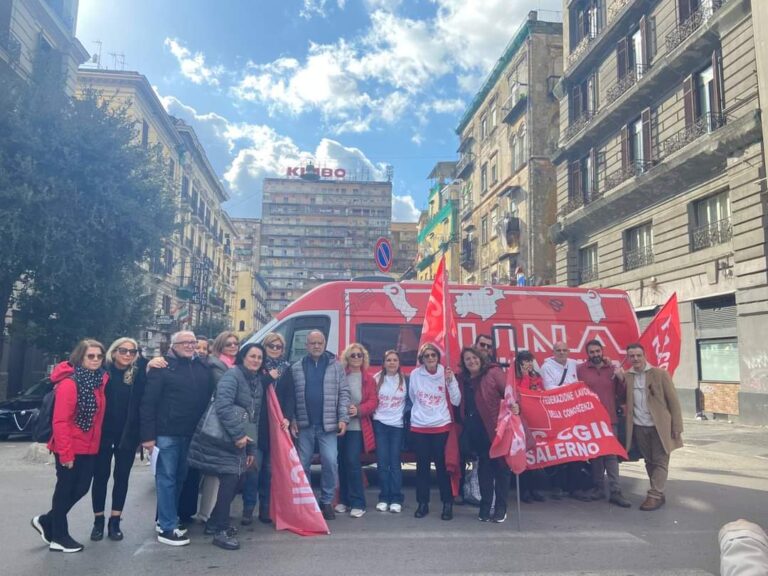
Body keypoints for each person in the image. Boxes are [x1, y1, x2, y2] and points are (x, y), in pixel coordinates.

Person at [31, 339, 108, 553]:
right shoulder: (69, 383)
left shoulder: (98, 381)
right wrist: (66, 454)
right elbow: (61, 421)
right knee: (65, 489)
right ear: (80, 357)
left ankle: (47, 520)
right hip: (69, 447)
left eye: (99, 356)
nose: (95, 360)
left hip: (90, 446)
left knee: (81, 488)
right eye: (90, 356)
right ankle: (59, 536)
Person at [188, 343, 266, 551]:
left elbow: (252, 418)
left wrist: (250, 449)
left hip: (237, 441)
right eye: (252, 356)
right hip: (221, 439)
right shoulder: (233, 376)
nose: (256, 360)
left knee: (236, 478)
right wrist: (238, 435)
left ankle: (214, 524)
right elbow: (222, 406)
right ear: (243, 357)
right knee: (231, 479)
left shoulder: (256, 381)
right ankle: (220, 530)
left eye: (259, 357)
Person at [140, 330, 213, 546]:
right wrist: (147, 437)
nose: (190, 346)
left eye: (193, 342)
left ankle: (167, 518)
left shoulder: (201, 367)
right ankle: (167, 528)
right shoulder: (161, 368)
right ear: (173, 345)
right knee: (166, 479)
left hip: (191, 434)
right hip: (166, 434)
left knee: (179, 478)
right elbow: (148, 404)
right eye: (185, 342)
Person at [283, 330, 349, 520]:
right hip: (305, 425)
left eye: (320, 343)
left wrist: (343, 418)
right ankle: (308, 500)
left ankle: (326, 500)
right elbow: (292, 397)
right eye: (312, 343)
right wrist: (293, 419)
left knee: (330, 462)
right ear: (307, 345)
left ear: (325, 343)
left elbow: (344, 393)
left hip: (328, 426)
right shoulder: (296, 367)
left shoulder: (335, 366)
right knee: (303, 465)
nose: (316, 346)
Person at [90, 337, 147, 542]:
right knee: (100, 478)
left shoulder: (138, 374)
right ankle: (98, 521)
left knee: (121, 478)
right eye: (123, 351)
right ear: (113, 352)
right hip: (102, 434)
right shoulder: (101, 372)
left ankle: (115, 521)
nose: (127, 355)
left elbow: (144, 404)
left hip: (127, 435)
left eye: (132, 352)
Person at [620, 343, 683, 511]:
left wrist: (677, 426)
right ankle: (658, 493)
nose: (635, 359)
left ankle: (654, 495)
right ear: (628, 358)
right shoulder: (627, 376)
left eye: (638, 355)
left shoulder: (660, 374)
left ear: (644, 355)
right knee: (649, 461)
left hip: (660, 426)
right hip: (639, 426)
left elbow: (674, 402)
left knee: (661, 460)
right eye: (632, 356)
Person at [458, 347, 516, 523]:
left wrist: (516, 406)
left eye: (474, 357)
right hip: (477, 431)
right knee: (484, 469)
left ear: (481, 358)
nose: (471, 361)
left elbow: (510, 392)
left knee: (501, 469)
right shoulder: (463, 379)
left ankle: (501, 508)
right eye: (467, 359)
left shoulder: (493, 372)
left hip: (496, 428)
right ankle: (485, 506)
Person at [241, 332, 293, 525]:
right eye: (271, 346)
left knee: (269, 473)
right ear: (265, 347)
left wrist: (288, 417)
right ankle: (248, 509)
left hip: (276, 427)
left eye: (278, 347)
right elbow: (251, 390)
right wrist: (268, 378)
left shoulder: (286, 369)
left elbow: (290, 396)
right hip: (256, 426)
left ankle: (265, 509)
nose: (275, 349)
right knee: (253, 470)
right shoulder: (256, 368)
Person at [576, 340, 631, 508]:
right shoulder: (581, 370)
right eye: (592, 352)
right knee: (595, 455)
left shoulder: (612, 369)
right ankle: (598, 488)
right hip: (590, 419)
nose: (595, 355)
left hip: (609, 418)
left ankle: (615, 491)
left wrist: (622, 379)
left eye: (597, 351)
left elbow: (621, 393)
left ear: (602, 351)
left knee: (611, 455)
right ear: (587, 354)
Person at [409, 342, 461, 521]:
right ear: (422, 359)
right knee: (421, 468)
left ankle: (447, 503)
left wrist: (451, 381)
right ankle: (422, 503)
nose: (430, 358)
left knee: (442, 467)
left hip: (441, 425)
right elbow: (413, 396)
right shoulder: (415, 374)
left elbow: (456, 400)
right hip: (420, 426)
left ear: (438, 357)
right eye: (427, 356)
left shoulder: (445, 373)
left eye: (433, 355)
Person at [539, 342, 587, 500]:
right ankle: (557, 486)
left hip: (574, 414)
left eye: (564, 350)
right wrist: (571, 389)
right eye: (558, 350)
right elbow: (549, 388)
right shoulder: (547, 367)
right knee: (558, 450)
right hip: (557, 414)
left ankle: (575, 487)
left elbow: (587, 370)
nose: (561, 353)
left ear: (569, 351)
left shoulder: (574, 364)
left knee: (575, 450)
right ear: (553, 352)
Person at [335, 343, 378, 518]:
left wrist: (358, 410)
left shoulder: (368, 379)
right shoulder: (340, 376)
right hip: (339, 425)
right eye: (353, 355)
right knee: (341, 463)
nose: (356, 358)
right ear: (347, 357)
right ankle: (344, 500)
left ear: (364, 358)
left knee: (353, 463)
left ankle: (358, 502)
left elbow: (373, 402)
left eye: (359, 355)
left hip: (357, 427)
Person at [372, 350, 409, 513]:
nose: (392, 363)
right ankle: (383, 497)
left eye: (395, 360)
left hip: (397, 426)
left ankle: (396, 498)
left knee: (394, 463)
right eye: (389, 360)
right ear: (384, 362)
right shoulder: (376, 379)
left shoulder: (405, 380)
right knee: (382, 462)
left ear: (399, 363)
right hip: (380, 424)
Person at [515, 351, 546, 503]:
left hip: (537, 421)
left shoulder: (538, 377)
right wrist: (525, 376)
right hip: (522, 421)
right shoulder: (516, 378)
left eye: (530, 361)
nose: (528, 364)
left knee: (536, 457)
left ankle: (536, 489)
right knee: (524, 457)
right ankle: (524, 491)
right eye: (524, 361)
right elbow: (521, 394)